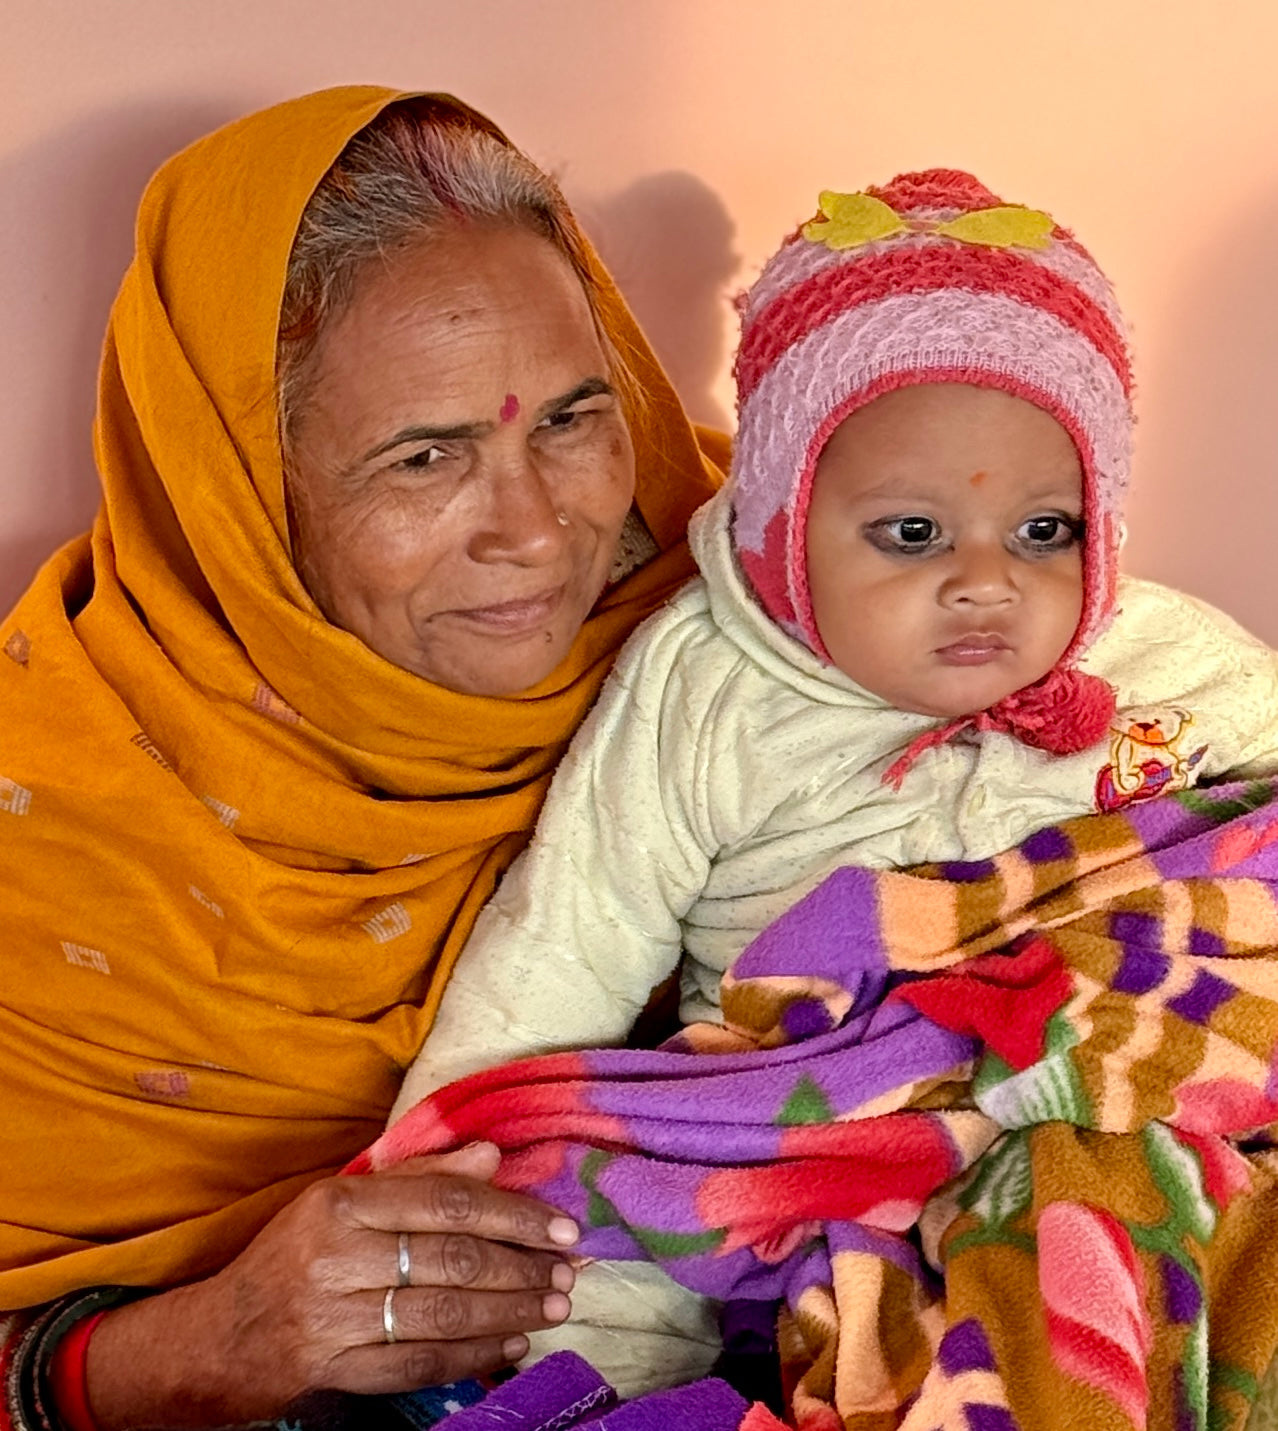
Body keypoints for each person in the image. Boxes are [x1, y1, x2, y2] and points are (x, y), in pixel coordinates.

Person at [390, 170, 1278, 1399]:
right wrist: (448, 1175)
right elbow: (570, 938)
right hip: (796, 1123)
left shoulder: (1168, 659)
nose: (986, 583)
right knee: (588, 1228)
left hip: (1086, 1104)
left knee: (1138, 1208)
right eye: (912, 535)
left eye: (1046, 531)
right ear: (784, 519)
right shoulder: (706, 688)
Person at [0, 86, 725, 1431]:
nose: (536, 528)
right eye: (424, 454)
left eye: (569, 417)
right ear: (239, 493)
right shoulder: (44, 821)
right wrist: (205, 1338)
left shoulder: (752, 633)